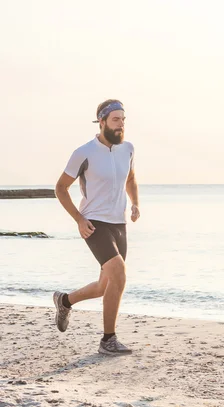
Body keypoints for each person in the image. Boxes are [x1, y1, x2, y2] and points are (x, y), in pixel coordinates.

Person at [53, 99, 139, 355]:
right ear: (101, 122)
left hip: (119, 223)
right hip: (94, 223)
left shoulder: (128, 149)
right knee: (119, 273)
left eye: (123, 119)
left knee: (106, 285)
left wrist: (135, 203)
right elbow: (60, 188)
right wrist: (79, 219)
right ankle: (108, 340)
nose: (121, 124)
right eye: (115, 119)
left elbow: (131, 178)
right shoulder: (84, 152)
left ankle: (64, 301)